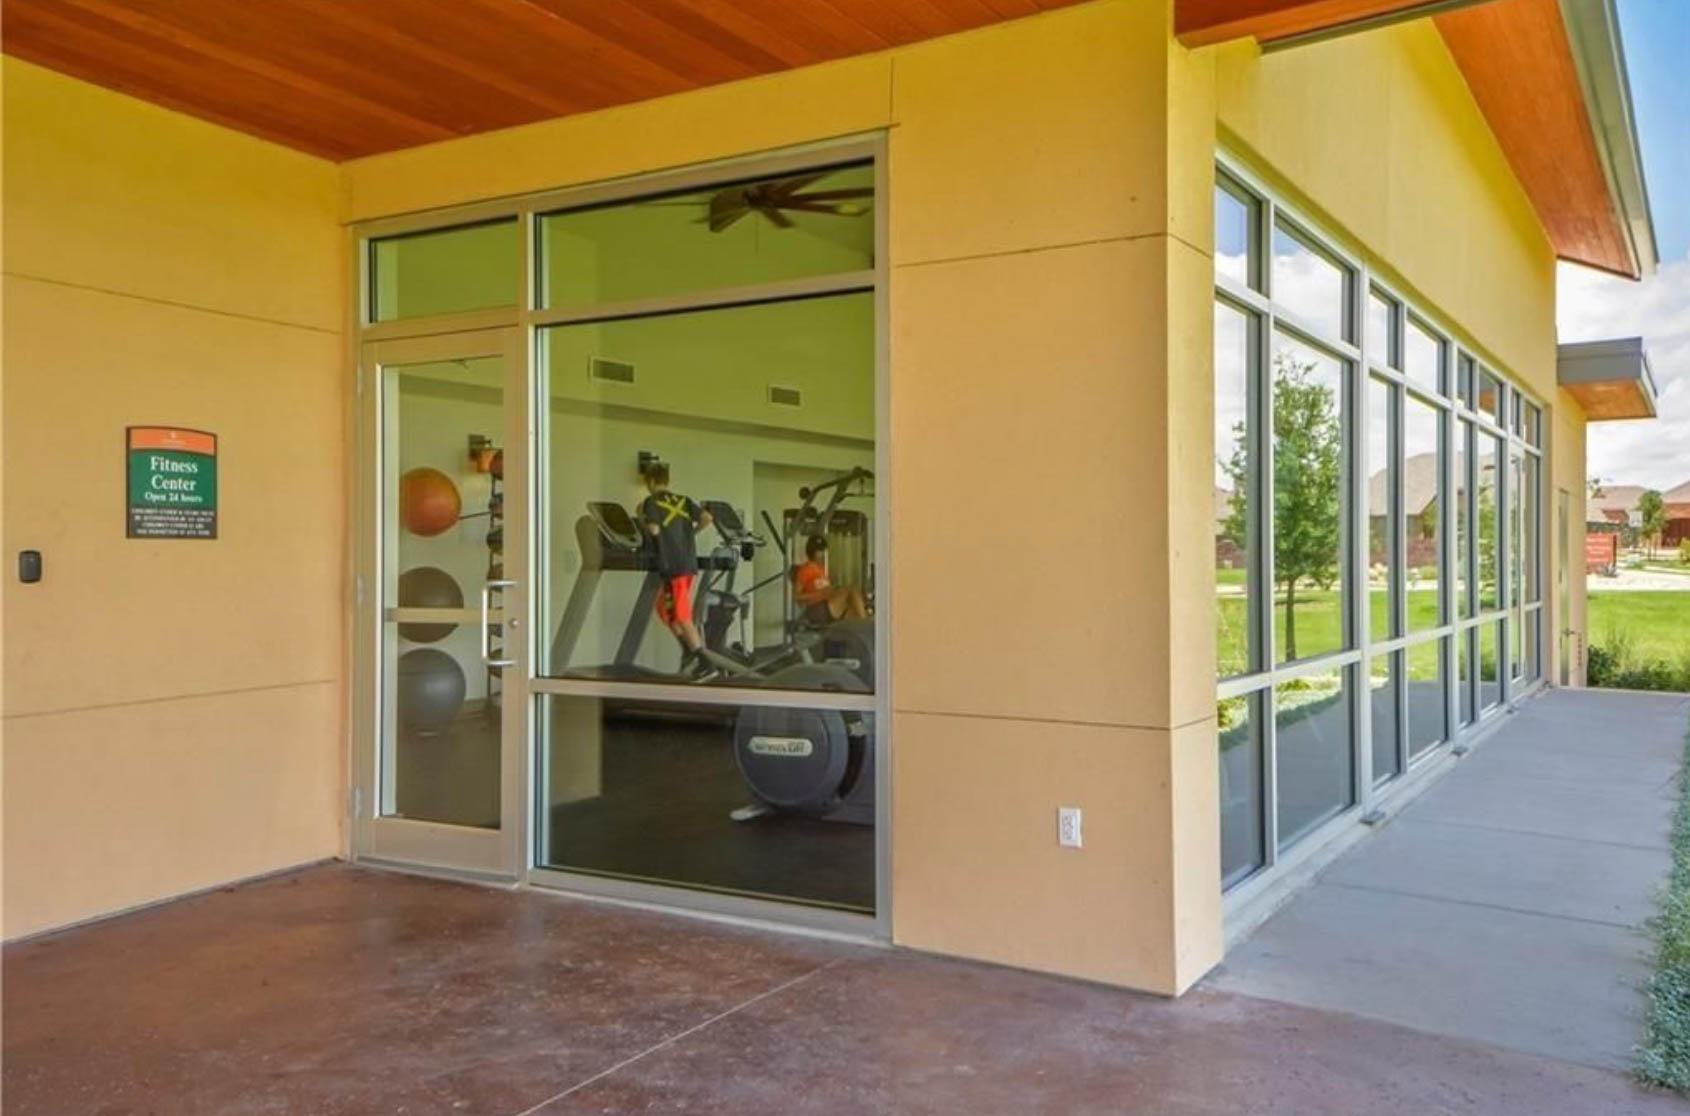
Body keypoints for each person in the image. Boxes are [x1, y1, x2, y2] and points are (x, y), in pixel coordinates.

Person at [637, 463, 715, 679]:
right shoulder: (683, 500)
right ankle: (688, 650)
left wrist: (642, 520)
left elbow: (653, 529)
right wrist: (691, 533)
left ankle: (705, 663)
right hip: (687, 562)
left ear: (651, 482)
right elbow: (707, 518)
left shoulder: (651, 502)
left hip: (672, 564)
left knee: (681, 614)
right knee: (664, 609)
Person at [792, 534, 869, 625]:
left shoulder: (821, 570)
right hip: (817, 608)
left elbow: (826, 589)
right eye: (819, 551)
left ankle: (866, 623)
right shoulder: (805, 569)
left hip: (828, 605)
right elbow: (796, 596)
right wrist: (818, 594)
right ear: (812, 551)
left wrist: (833, 590)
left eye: (822, 550)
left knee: (855, 607)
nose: (822, 554)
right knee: (852, 590)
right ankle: (866, 624)